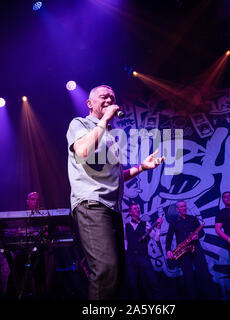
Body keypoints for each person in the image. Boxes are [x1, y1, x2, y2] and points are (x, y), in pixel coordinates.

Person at [66, 85, 165, 300]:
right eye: (104, 97)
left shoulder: (109, 137)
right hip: (92, 204)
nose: (110, 100)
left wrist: (141, 167)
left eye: (112, 97)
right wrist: (103, 122)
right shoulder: (80, 124)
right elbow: (82, 151)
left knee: (117, 274)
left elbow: (116, 175)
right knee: (105, 270)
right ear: (90, 103)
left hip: (112, 209)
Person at [166, 201, 218, 299]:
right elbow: (169, 237)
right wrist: (168, 250)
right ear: (177, 209)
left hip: (196, 247)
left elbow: (201, 232)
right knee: (188, 276)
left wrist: (197, 235)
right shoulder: (174, 222)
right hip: (183, 251)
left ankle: (209, 296)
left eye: (185, 206)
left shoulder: (193, 219)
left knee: (204, 273)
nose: (184, 208)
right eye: (181, 207)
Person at [124, 203, 163, 299]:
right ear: (130, 212)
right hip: (131, 258)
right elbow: (124, 241)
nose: (137, 210)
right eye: (134, 208)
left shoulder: (146, 224)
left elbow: (156, 238)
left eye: (138, 208)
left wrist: (158, 227)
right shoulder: (126, 226)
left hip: (143, 257)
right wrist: (128, 252)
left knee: (153, 281)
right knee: (133, 284)